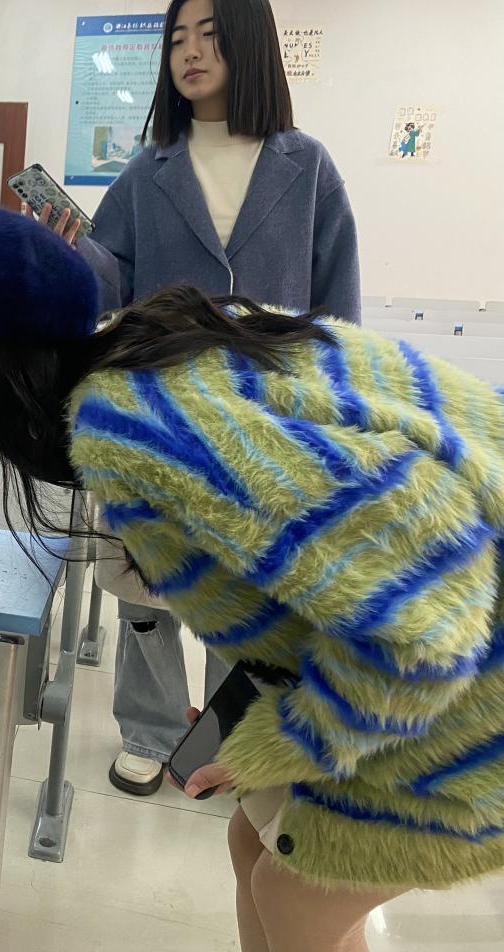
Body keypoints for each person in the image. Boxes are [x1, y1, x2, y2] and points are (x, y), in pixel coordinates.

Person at [0, 206, 504, 952]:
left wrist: (289, 737)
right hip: (458, 629)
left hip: (474, 678)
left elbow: (424, 612)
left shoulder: (134, 428)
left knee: (297, 895)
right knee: (253, 844)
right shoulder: (141, 358)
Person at [41, 0, 362, 798]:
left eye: (209, 35)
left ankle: (228, 740)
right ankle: (147, 729)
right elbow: (107, 275)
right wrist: (64, 251)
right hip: (158, 411)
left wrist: (337, 411)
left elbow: (338, 300)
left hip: (264, 419)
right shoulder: (149, 168)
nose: (188, 52)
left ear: (248, 44)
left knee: (246, 591)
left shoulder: (305, 164)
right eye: (177, 38)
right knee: (143, 587)